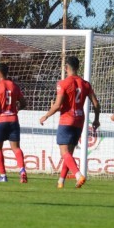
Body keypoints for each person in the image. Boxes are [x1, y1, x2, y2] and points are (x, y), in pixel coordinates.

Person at [39, 56, 100, 189]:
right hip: (79, 121)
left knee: (64, 153)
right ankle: (61, 181)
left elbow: (57, 105)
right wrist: (96, 119)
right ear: (78, 68)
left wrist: (46, 116)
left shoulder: (63, 83)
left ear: (66, 68)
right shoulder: (86, 84)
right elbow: (96, 104)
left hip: (67, 120)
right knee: (69, 154)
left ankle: (78, 175)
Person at [0, 63, 28, 183]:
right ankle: (22, 170)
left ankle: (3, 175)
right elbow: (24, 103)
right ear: (7, 73)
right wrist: (16, 109)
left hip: (0, 121)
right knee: (16, 148)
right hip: (13, 120)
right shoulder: (14, 86)